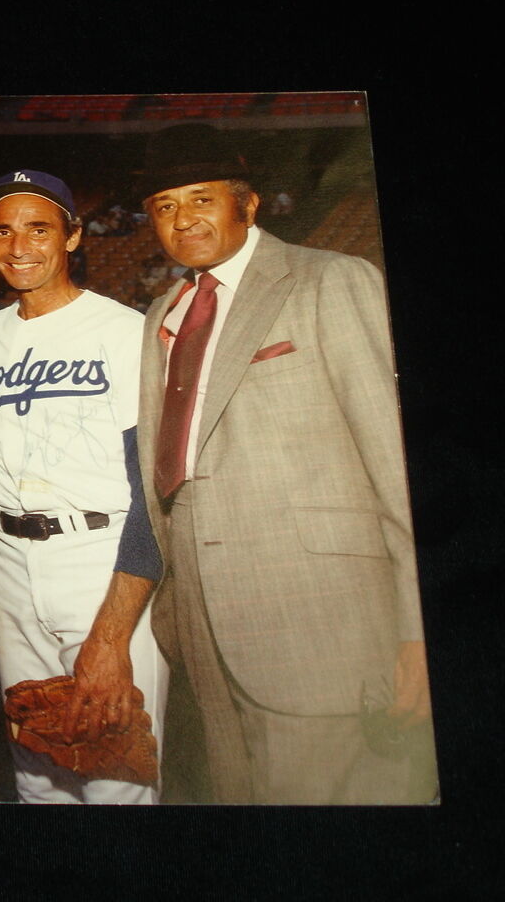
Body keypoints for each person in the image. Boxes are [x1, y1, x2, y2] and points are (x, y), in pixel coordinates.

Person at [134, 124, 434, 803]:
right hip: (202, 627)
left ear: (249, 204)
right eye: (165, 206)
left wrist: (420, 635)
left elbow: (399, 472)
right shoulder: (162, 314)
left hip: (323, 624)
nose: (184, 219)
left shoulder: (332, 281)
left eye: (202, 199)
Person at [0, 170, 167, 804]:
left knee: (116, 772)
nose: (19, 246)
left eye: (39, 228)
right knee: (36, 769)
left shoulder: (123, 329)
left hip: (99, 558)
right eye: (4, 231)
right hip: (12, 562)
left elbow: (151, 490)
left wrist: (112, 633)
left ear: (73, 236)